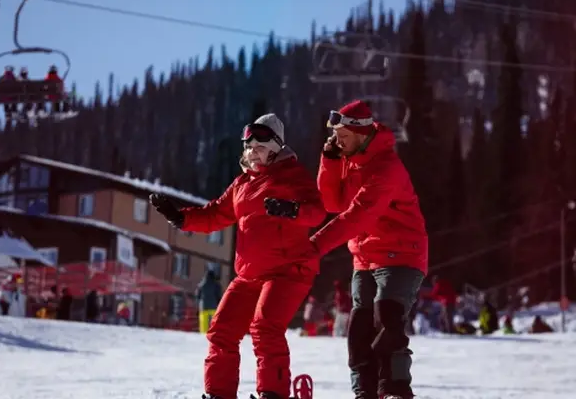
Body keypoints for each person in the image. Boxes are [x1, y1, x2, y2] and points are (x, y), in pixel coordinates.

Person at [149, 113, 326, 399]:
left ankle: (273, 393)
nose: (253, 151)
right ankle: (219, 394)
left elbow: (317, 212)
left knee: (265, 326)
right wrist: (179, 217)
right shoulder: (242, 184)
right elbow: (215, 214)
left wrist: (292, 210)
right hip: (249, 274)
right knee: (221, 331)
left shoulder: (293, 176)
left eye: (260, 145)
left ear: (276, 147)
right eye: (249, 146)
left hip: (289, 270)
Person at [309, 100, 428, 399]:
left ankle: (395, 390)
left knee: (386, 321)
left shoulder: (387, 166)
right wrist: (330, 160)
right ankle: (364, 392)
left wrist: (315, 245)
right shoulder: (349, 158)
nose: (336, 141)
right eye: (334, 137)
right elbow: (332, 203)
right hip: (364, 258)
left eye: (341, 136)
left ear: (360, 133)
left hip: (401, 255)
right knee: (359, 331)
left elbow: (358, 214)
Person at [196, 269, 222, 334]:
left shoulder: (201, 284)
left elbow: (197, 295)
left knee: (203, 322)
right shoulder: (216, 285)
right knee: (213, 322)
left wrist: (198, 303)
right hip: (213, 306)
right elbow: (218, 296)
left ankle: (203, 333)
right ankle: (213, 333)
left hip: (203, 306)